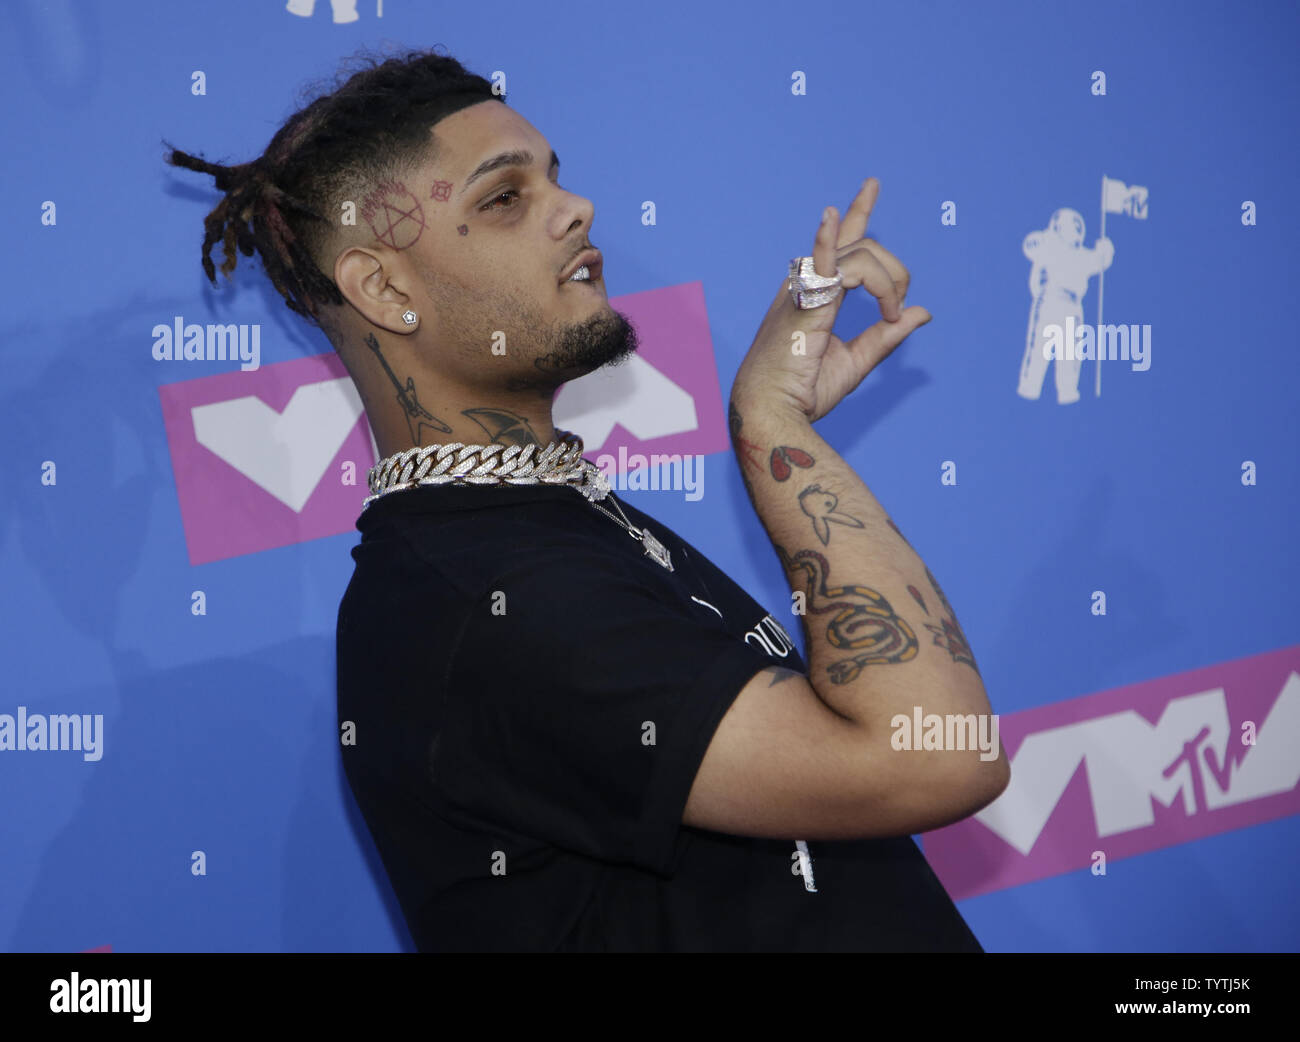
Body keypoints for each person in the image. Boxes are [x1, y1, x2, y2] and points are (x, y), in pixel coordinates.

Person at [165, 47, 1009, 952]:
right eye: (504, 198)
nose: (577, 208)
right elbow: (935, 756)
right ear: (384, 288)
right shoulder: (489, 600)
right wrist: (776, 423)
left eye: (556, 178)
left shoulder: (541, 528)